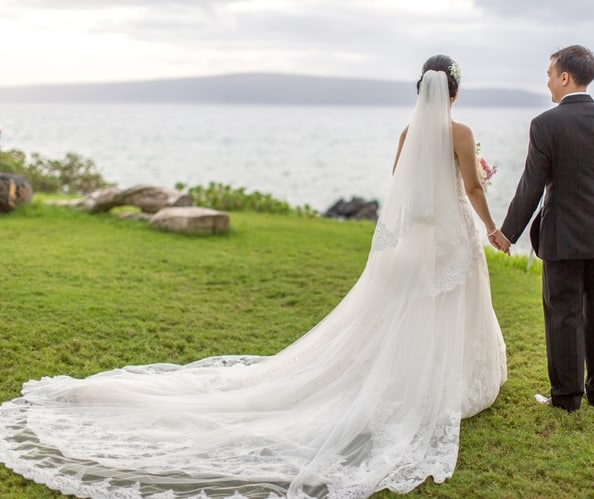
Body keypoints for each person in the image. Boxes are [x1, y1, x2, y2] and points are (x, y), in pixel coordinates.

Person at [0, 55, 507, 498]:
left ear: (420, 91)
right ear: (455, 91)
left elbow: (400, 184)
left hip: (414, 243)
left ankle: (404, 378)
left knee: (403, 313)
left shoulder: (408, 132)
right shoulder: (459, 133)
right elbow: (469, 187)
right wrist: (486, 210)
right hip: (449, 238)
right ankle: (438, 382)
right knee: (442, 307)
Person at [496, 45, 594, 412]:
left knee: (563, 314)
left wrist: (507, 233)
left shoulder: (545, 124)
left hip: (563, 235)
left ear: (564, 77)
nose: (547, 83)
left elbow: (531, 184)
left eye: (549, 75)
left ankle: (567, 398)